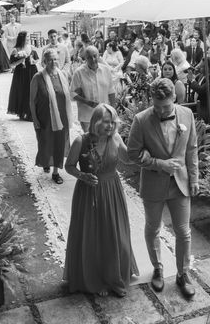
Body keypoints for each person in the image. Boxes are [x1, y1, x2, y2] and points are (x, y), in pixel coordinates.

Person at [127, 78, 198, 299]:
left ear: (174, 98)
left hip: (180, 182)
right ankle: (157, 268)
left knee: (183, 232)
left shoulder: (187, 115)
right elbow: (132, 153)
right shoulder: (141, 120)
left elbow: (192, 149)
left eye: (165, 106)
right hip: (153, 184)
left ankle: (183, 273)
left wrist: (194, 179)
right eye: (156, 106)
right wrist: (159, 164)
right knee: (152, 228)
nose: (160, 110)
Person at [64, 104, 139, 297]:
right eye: (106, 121)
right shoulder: (80, 141)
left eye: (113, 122)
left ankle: (114, 277)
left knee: (115, 234)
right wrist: (83, 176)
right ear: (96, 121)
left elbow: (128, 159)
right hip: (88, 192)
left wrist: (142, 150)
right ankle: (97, 279)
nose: (110, 126)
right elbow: (69, 166)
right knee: (93, 235)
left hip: (112, 190)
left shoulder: (116, 138)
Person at [29, 49, 74, 184]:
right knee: (45, 142)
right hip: (44, 118)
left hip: (61, 117)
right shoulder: (38, 77)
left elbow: (69, 95)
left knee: (59, 143)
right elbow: (31, 101)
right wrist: (35, 119)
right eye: (50, 60)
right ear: (44, 62)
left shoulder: (63, 75)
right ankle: (46, 160)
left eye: (55, 59)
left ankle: (56, 172)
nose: (53, 62)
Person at [70, 46, 115, 132]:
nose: (93, 59)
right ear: (85, 58)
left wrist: (113, 110)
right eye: (89, 57)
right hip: (87, 116)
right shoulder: (79, 73)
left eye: (95, 56)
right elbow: (72, 93)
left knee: (103, 140)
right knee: (90, 142)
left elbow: (111, 91)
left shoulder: (106, 70)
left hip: (104, 114)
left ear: (99, 56)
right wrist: (87, 102)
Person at [8, 31, 39, 121]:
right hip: (21, 73)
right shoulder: (16, 50)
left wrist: (32, 61)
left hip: (31, 71)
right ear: (22, 38)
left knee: (31, 91)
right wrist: (21, 59)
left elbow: (36, 60)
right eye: (27, 37)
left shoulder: (31, 47)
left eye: (29, 37)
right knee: (22, 91)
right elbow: (11, 65)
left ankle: (31, 113)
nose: (29, 38)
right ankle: (22, 112)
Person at [187, 58, 210, 123]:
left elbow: (201, 90)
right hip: (195, 105)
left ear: (208, 67)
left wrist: (192, 80)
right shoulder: (201, 75)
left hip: (205, 108)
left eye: (202, 67)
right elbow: (193, 84)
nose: (200, 68)